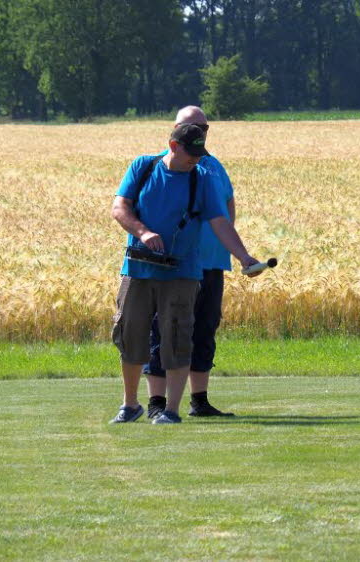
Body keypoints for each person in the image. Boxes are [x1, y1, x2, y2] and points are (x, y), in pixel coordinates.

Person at [109, 123, 260, 424]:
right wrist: (143, 232)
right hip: (139, 269)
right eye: (190, 153)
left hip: (183, 272)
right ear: (173, 146)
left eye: (199, 153)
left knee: (178, 337)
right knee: (130, 335)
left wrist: (243, 257)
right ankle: (130, 405)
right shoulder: (144, 166)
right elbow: (120, 207)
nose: (195, 160)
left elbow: (220, 222)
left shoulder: (202, 178)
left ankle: (171, 411)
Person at [143, 106, 236, 419]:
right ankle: (157, 403)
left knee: (205, 329)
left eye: (204, 127)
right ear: (175, 130)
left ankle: (200, 400)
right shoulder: (160, 165)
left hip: (211, 262)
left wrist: (231, 245)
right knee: (163, 330)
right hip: (175, 265)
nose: (200, 132)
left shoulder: (215, 166)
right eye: (192, 126)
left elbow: (227, 204)